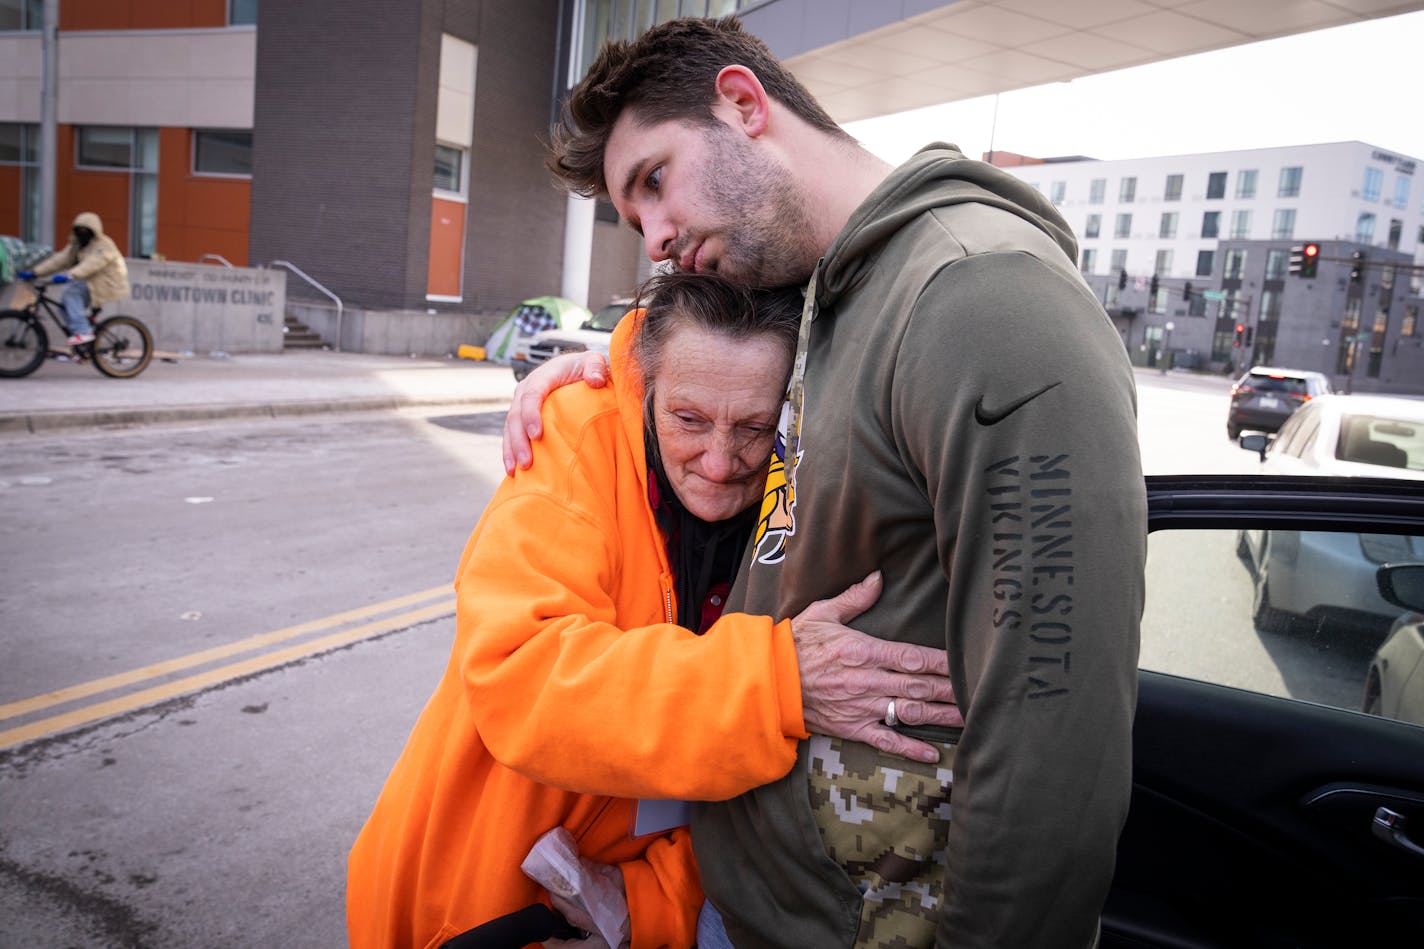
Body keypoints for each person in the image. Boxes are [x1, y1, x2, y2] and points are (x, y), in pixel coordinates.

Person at [514, 14, 1148, 948]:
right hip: (760, 907)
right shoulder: (828, 297)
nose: (651, 235)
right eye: (632, 214)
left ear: (743, 104)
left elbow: (1055, 726)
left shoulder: (980, 296)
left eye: (654, 180)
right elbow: (695, 356)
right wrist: (599, 378)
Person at [347, 273, 964, 949]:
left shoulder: (807, 497)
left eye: (754, 427)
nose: (721, 462)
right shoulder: (576, 430)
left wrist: (652, 898)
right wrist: (776, 683)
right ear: (643, 385)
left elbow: (753, 798)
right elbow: (524, 678)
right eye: (688, 419)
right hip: (467, 911)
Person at [19, 212, 130, 346]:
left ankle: (83, 332)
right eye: (79, 230)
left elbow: (92, 263)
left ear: (93, 231)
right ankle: (82, 345)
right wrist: (35, 272)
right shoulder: (76, 243)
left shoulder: (104, 245)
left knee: (71, 292)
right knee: (64, 307)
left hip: (106, 282)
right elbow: (59, 260)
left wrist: (70, 275)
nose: (82, 233)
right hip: (89, 280)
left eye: (85, 231)